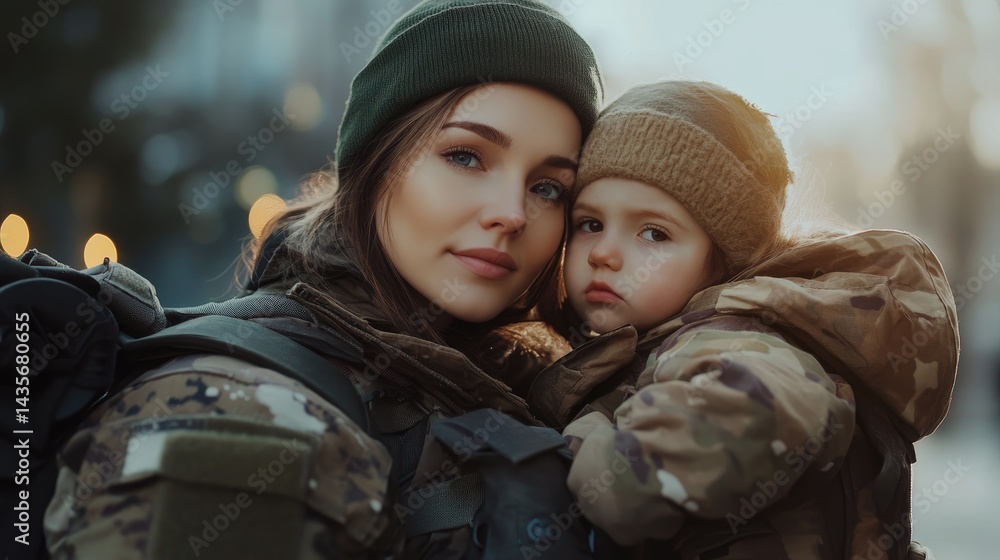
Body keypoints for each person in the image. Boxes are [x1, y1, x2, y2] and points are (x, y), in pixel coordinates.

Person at [42, 1, 603, 558]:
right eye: (465, 156)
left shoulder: (519, 389)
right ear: (374, 164)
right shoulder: (236, 412)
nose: (513, 212)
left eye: (548, 187)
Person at [528, 80, 958, 559]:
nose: (604, 252)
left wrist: (576, 439)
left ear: (724, 260)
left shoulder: (738, 344)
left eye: (654, 233)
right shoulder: (664, 342)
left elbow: (634, 489)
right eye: (591, 224)